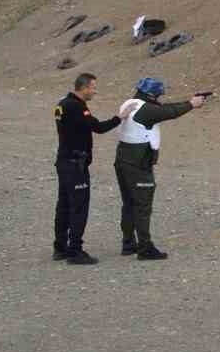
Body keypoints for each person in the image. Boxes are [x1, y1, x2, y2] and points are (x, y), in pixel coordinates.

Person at [113, 78, 205, 261]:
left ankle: (128, 243)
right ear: (151, 95)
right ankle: (145, 248)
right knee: (143, 206)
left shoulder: (131, 103)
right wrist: (191, 105)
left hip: (123, 159)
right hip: (138, 163)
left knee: (129, 203)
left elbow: (163, 109)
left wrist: (189, 102)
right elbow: (169, 112)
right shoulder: (146, 110)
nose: (159, 99)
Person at [53, 72, 127, 265]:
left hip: (64, 162)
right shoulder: (76, 106)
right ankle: (75, 251)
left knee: (64, 205)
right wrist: (119, 118)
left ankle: (60, 248)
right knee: (78, 207)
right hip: (75, 165)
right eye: (93, 87)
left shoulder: (62, 104)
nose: (95, 91)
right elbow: (98, 127)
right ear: (84, 87)